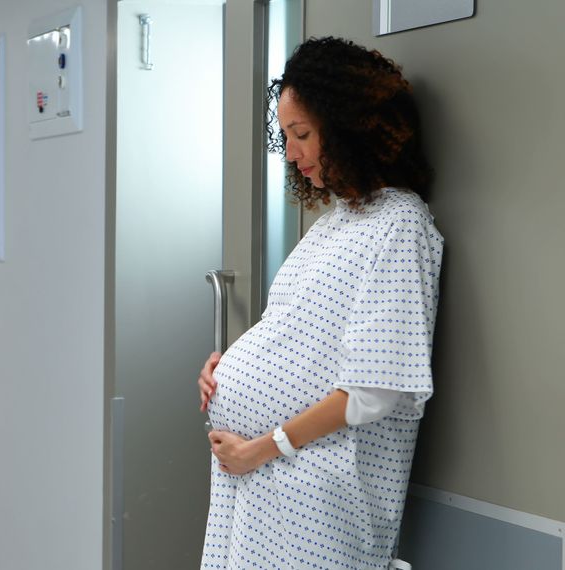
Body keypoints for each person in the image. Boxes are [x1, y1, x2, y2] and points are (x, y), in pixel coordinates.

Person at [196, 37, 443, 569]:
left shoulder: (400, 225)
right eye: (285, 136)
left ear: (350, 126)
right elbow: (297, 339)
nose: (291, 154)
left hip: (315, 498)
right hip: (260, 484)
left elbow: (375, 388)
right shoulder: (334, 224)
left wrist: (263, 447)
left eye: (302, 134)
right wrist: (229, 368)